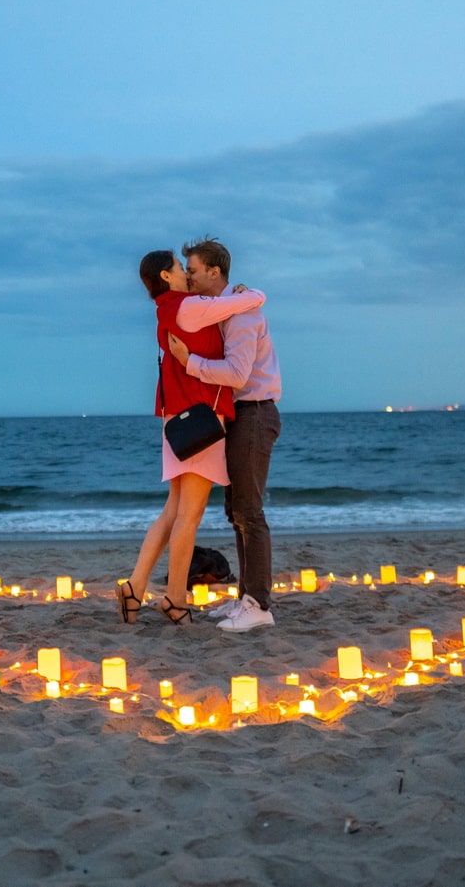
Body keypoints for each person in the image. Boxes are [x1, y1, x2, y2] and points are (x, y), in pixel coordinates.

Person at [118, 250, 267, 626]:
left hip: (178, 421)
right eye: (180, 268)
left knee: (172, 512)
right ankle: (175, 599)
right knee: (189, 516)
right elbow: (253, 300)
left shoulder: (168, 308)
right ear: (166, 277)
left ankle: (135, 587)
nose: (186, 273)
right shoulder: (189, 305)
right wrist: (250, 291)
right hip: (200, 422)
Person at [165, 236, 282, 633]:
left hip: (254, 413)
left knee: (249, 512)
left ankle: (258, 604)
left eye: (193, 271)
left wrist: (189, 361)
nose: (190, 279)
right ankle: (245, 599)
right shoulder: (227, 309)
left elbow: (237, 375)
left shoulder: (243, 315)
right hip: (239, 417)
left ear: (215, 272)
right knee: (236, 513)